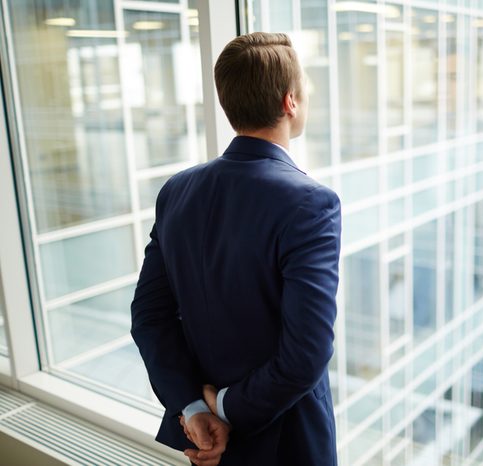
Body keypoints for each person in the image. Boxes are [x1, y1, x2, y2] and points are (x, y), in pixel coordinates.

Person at [130, 32, 341, 466]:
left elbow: (149, 317)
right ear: (290, 102)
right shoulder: (311, 203)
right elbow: (306, 354)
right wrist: (225, 406)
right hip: (287, 441)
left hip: (207, 442)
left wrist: (193, 408)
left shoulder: (177, 191)